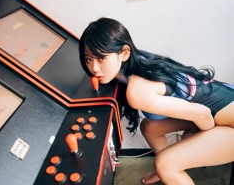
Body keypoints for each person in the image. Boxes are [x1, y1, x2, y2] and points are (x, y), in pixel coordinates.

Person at [78, 17, 234, 185]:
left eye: (101, 58)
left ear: (124, 53)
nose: (94, 68)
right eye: (88, 59)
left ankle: (169, 169)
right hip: (219, 110)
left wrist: (196, 138)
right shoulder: (138, 64)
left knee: (165, 164)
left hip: (224, 123)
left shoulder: (137, 90)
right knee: (149, 127)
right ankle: (168, 171)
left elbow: (202, 114)